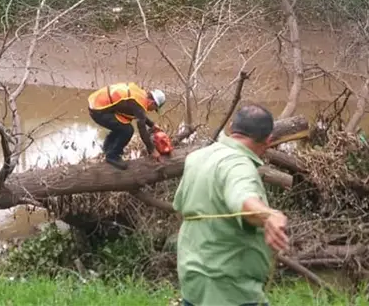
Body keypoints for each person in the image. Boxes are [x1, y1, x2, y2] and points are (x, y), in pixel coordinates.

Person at [173, 104, 290, 306]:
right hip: (229, 290)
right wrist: (268, 215)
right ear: (268, 141)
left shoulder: (196, 158)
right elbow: (243, 199)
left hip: (194, 280)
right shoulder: (239, 165)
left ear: (230, 128)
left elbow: (179, 210)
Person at [87, 82, 166, 170]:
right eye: (155, 109)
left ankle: (107, 147)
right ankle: (112, 156)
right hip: (98, 111)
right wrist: (152, 150)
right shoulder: (138, 104)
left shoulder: (140, 95)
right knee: (127, 130)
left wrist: (152, 125)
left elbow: (139, 114)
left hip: (96, 105)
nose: (152, 110)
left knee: (121, 125)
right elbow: (142, 130)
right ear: (153, 103)